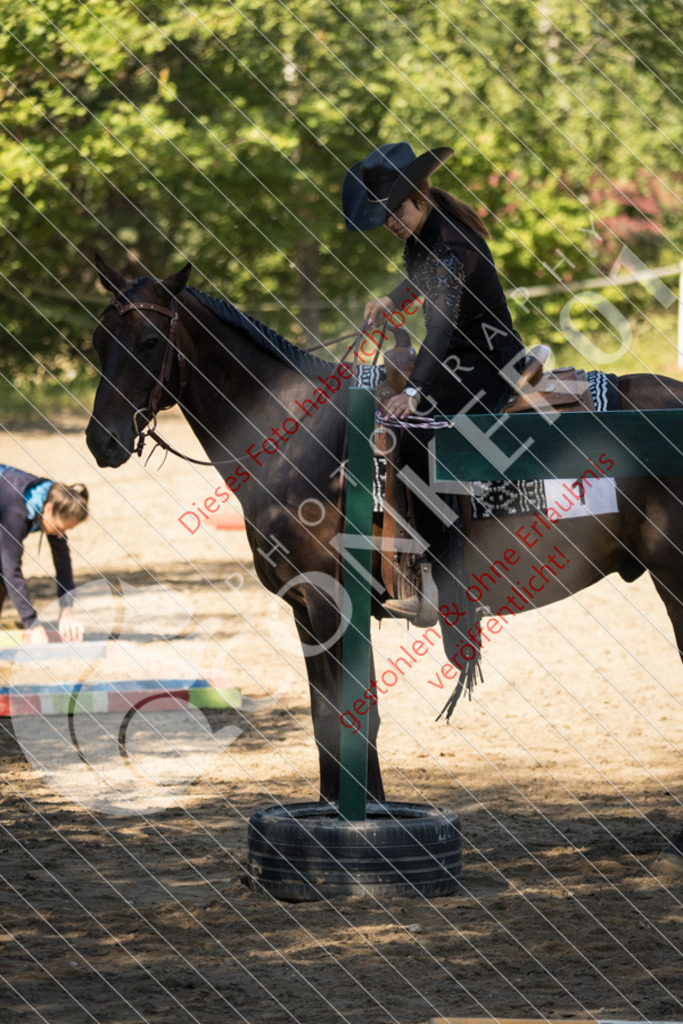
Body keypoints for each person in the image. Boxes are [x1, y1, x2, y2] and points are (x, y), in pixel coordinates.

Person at [342, 140, 525, 418]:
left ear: (420, 194)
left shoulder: (450, 247)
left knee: (414, 421)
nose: (391, 222)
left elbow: (440, 328)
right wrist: (391, 300)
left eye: (396, 210)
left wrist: (413, 392)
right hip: (456, 353)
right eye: (384, 215)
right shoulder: (427, 224)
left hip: (487, 360)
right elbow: (425, 277)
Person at [0, 466, 88, 643]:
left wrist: (66, 611)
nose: (61, 535)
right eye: (60, 528)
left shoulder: (54, 501)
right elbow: (11, 570)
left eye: (66, 531)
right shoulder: (17, 511)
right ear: (48, 509)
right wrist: (32, 623)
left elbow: (63, 563)